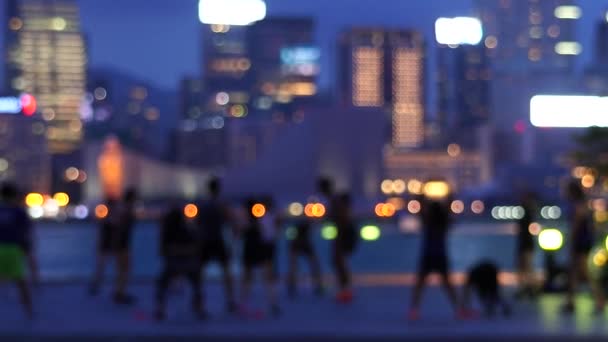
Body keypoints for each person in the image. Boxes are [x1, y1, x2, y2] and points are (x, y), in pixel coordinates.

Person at [408, 195, 460, 320]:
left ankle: (414, 310)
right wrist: (449, 194)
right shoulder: (443, 222)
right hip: (440, 255)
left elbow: (420, 207)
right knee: (448, 285)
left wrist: (422, 193)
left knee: (420, 285)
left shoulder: (428, 221)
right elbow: (449, 206)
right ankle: (459, 309)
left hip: (428, 255)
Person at [155, 203, 204, 321]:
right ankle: (199, 308)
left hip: (173, 263)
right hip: (189, 263)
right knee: (196, 282)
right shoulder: (188, 231)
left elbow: (163, 251)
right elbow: (195, 247)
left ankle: (160, 309)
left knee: (162, 283)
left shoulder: (167, 234)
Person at [90, 188, 138, 305]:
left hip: (118, 245)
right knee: (123, 270)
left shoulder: (120, 213)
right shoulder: (125, 212)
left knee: (116, 269)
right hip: (121, 245)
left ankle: (113, 290)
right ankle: (118, 292)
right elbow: (120, 230)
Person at [563, 180, 605, 314]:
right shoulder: (583, 205)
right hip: (583, 243)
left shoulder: (578, 206)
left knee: (583, 273)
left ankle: (599, 300)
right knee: (575, 273)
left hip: (580, 244)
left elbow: (576, 226)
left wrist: (570, 241)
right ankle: (571, 301)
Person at [198, 178, 236, 313]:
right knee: (226, 272)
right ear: (218, 189)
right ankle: (230, 301)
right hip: (217, 241)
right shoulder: (221, 205)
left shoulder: (203, 205)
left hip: (205, 241)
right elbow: (230, 222)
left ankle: (199, 302)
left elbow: (196, 224)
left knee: (200, 273)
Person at [0, 183, 37, 319]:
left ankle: (29, 311)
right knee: (20, 281)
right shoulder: (18, 211)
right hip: (13, 249)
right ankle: (29, 312)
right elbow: (26, 231)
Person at [239, 198, 280, 317]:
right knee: (264, 277)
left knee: (251, 277)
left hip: (253, 251)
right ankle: (271, 303)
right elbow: (268, 237)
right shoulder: (258, 221)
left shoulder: (250, 222)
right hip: (258, 250)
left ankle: (246, 303)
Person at [318, 178, 357, 303]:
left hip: (343, 232)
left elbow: (342, 217)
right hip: (343, 232)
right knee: (338, 261)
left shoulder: (334, 199)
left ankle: (345, 290)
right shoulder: (334, 199)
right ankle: (345, 290)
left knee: (338, 261)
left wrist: (340, 234)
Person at [286, 217, 324, 298]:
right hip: (297, 242)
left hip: (304, 242)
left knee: (313, 263)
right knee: (294, 265)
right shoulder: (296, 218)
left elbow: (315, 224)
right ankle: (291, 286)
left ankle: (318, 285)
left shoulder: (309, 217)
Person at [515, 191, 538, 299]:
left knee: (526, 266)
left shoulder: (526, 212)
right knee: (525, 266)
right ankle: (527, 288)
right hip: (525, 242)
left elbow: (522, 228)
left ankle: (528, 288)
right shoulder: (528, 212)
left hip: (526, 242)